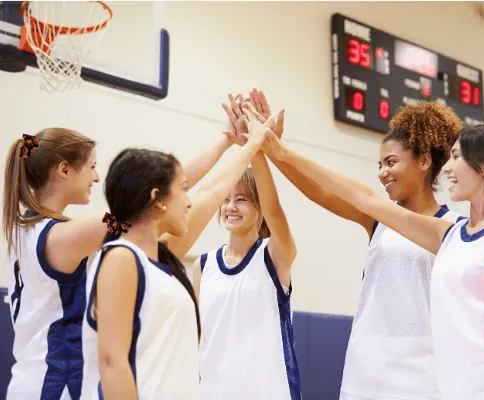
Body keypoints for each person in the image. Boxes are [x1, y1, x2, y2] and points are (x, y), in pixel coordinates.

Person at [259, 121, 484, 400]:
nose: (447, 168)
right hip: (460, 389)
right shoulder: (448, 236)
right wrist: (280, 152)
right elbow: (361, 197)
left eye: (455, 157)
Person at [241, 91, 464, 400]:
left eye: (391, 162)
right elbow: (320, 191)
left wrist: (281, 150)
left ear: (425, 161)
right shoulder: (377, 222)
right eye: (379, 164)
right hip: (365, 374)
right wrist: (271, 150)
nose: (382, 172)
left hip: (422, 380)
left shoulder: (453, 229)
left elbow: (363, 196)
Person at [2, 127, 247, 399]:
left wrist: (225, 142)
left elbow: (161, 192)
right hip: (55, 383)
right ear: (64, 170)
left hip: (31, 379)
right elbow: (150, 198)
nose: (96, 177)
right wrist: (226, 145)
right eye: (92, 167)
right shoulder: (62, 236)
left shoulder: (26, 230)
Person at [80, 111, 274, 399]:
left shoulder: (161, 258)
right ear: (157, 201)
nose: (189, 200)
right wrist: (248, 146)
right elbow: (112, 363)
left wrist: (243, 144)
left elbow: (212, 191)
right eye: (183, 190)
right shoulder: (121, 258)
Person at [193, 95, 300, 400]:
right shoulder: (202, 265)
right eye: (226, 199)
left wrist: (256, 147)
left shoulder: (274, 255)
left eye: (241, 199)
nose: (230, 207)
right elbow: (196, 336)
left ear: (259, 208)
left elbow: (276, 209)